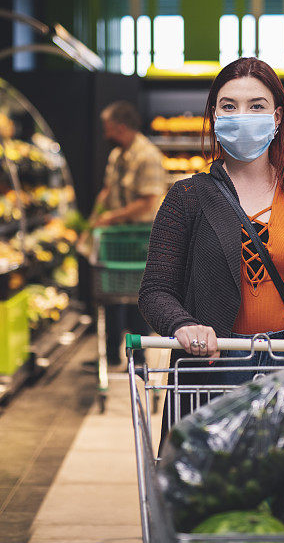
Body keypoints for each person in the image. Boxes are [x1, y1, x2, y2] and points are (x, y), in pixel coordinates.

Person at [138, 58, 284, 423]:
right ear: (214, 116)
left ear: (276, 118)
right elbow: (155, 292)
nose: (242, 115)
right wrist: (183, 324)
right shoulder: (186, 198)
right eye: (229, 106)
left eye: (256, 106)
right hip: (213, 366)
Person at [89, 100, 168, 368]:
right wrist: (95, 218)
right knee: (110, 294)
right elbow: (108, 189)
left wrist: (111, 217)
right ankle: (112, 356)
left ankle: (139, 357)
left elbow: (148, 201)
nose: (105, 134)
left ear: (121, 127)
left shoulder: (147, 155)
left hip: (141, 237)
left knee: (137, 298)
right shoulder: (117, 156)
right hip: (117, 236)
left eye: (108, 128)